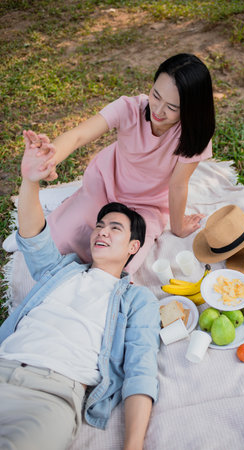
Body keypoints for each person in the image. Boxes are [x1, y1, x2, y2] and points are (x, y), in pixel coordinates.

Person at [0, 143, 161, 450]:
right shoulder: (61, 268)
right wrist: (30, 180)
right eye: (100, 226)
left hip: (50, 398)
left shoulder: (137, 301)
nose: (102, 232)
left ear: (133, 247)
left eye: (115, 228)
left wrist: (133, 445)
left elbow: (141, 370)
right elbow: (33, 237)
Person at [24, 53, 215, 273]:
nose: (159, 110)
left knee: (124, 262)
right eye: (156, 95)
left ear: (191, 109)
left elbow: (178, 184)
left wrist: (179, 226)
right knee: (64, 238)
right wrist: (50, 157)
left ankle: (74, 208)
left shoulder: (193, 135)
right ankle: (64, 212)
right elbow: (78, 136)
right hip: (106, 184)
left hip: (148, 205)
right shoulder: (129, 108)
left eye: (172, 107)